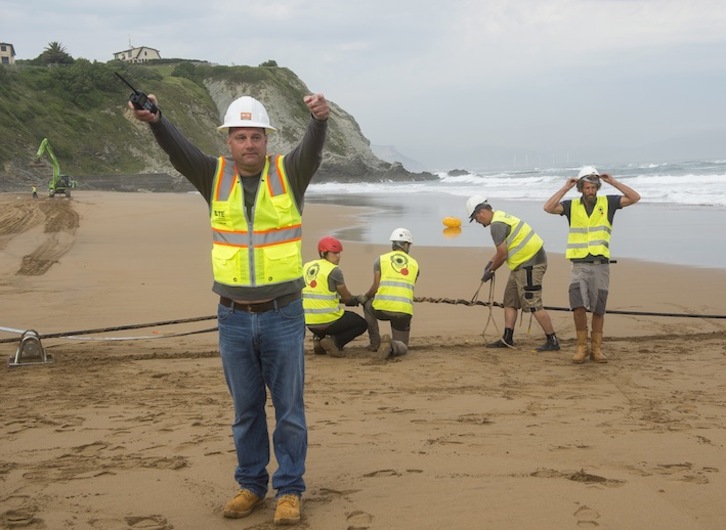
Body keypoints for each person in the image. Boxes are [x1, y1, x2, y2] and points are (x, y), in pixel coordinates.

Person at [129, 91, 329, 525]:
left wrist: (319, 121)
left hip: (284, 313)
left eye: (256, 136)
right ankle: (251, 485)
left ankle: (290, 489)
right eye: (240, 137)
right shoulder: (212, 175)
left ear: (267, 140)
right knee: (246, 410)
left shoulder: (289, 172)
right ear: (229, 143)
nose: (249, 144)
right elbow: (179, 151)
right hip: (233, 316)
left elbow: (312, 150)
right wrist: (157, 120)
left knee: (290, 410)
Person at [543, 166, 640, 364]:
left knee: (598, 308)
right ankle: (581, 346)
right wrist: (565, 187)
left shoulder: (609, 203)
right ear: (580, 188)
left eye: (593, 187)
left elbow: (634, 197)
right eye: (586, 188)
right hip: (579, 264)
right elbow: (548, 207)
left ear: (597, 187)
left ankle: (597, 348)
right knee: (578, 305)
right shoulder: (571, 206)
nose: (590, 191)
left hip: (600, 265)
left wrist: (613, 181)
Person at [466, 195, 560, 352]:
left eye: (476, 218)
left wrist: (491, 270)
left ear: (481, 212)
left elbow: (502, 254)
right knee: (510, 301)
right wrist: (490, 263)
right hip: (519, 264)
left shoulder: (497, 225)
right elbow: (504, 250)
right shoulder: (500, 216)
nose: (477, 222)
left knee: (533, 302)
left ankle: (553, 340)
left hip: (531, 264)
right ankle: (507, 338)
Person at [302, 236, 368, 357]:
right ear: (323, 253)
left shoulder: (306, 267)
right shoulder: (334, 271)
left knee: (325, 315)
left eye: (339, 253)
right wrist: (356, 299)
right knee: (361, 323)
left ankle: (318, 339)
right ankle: (335, 342)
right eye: (335, 253)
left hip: (309, 322)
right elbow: (347, 297)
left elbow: (319, 295)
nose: (338, 256)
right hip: (328, 321)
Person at [360, 228, 420, 360]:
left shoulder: (380, 260)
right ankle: (392, 345)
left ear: (393, 244)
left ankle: (375, 343)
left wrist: (365, 297)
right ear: (406, 245)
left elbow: (375, 286)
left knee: (368, 304)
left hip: (382, 309)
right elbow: (410, 286)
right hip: (403, 312)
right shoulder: (415, 264)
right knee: (403, 346)